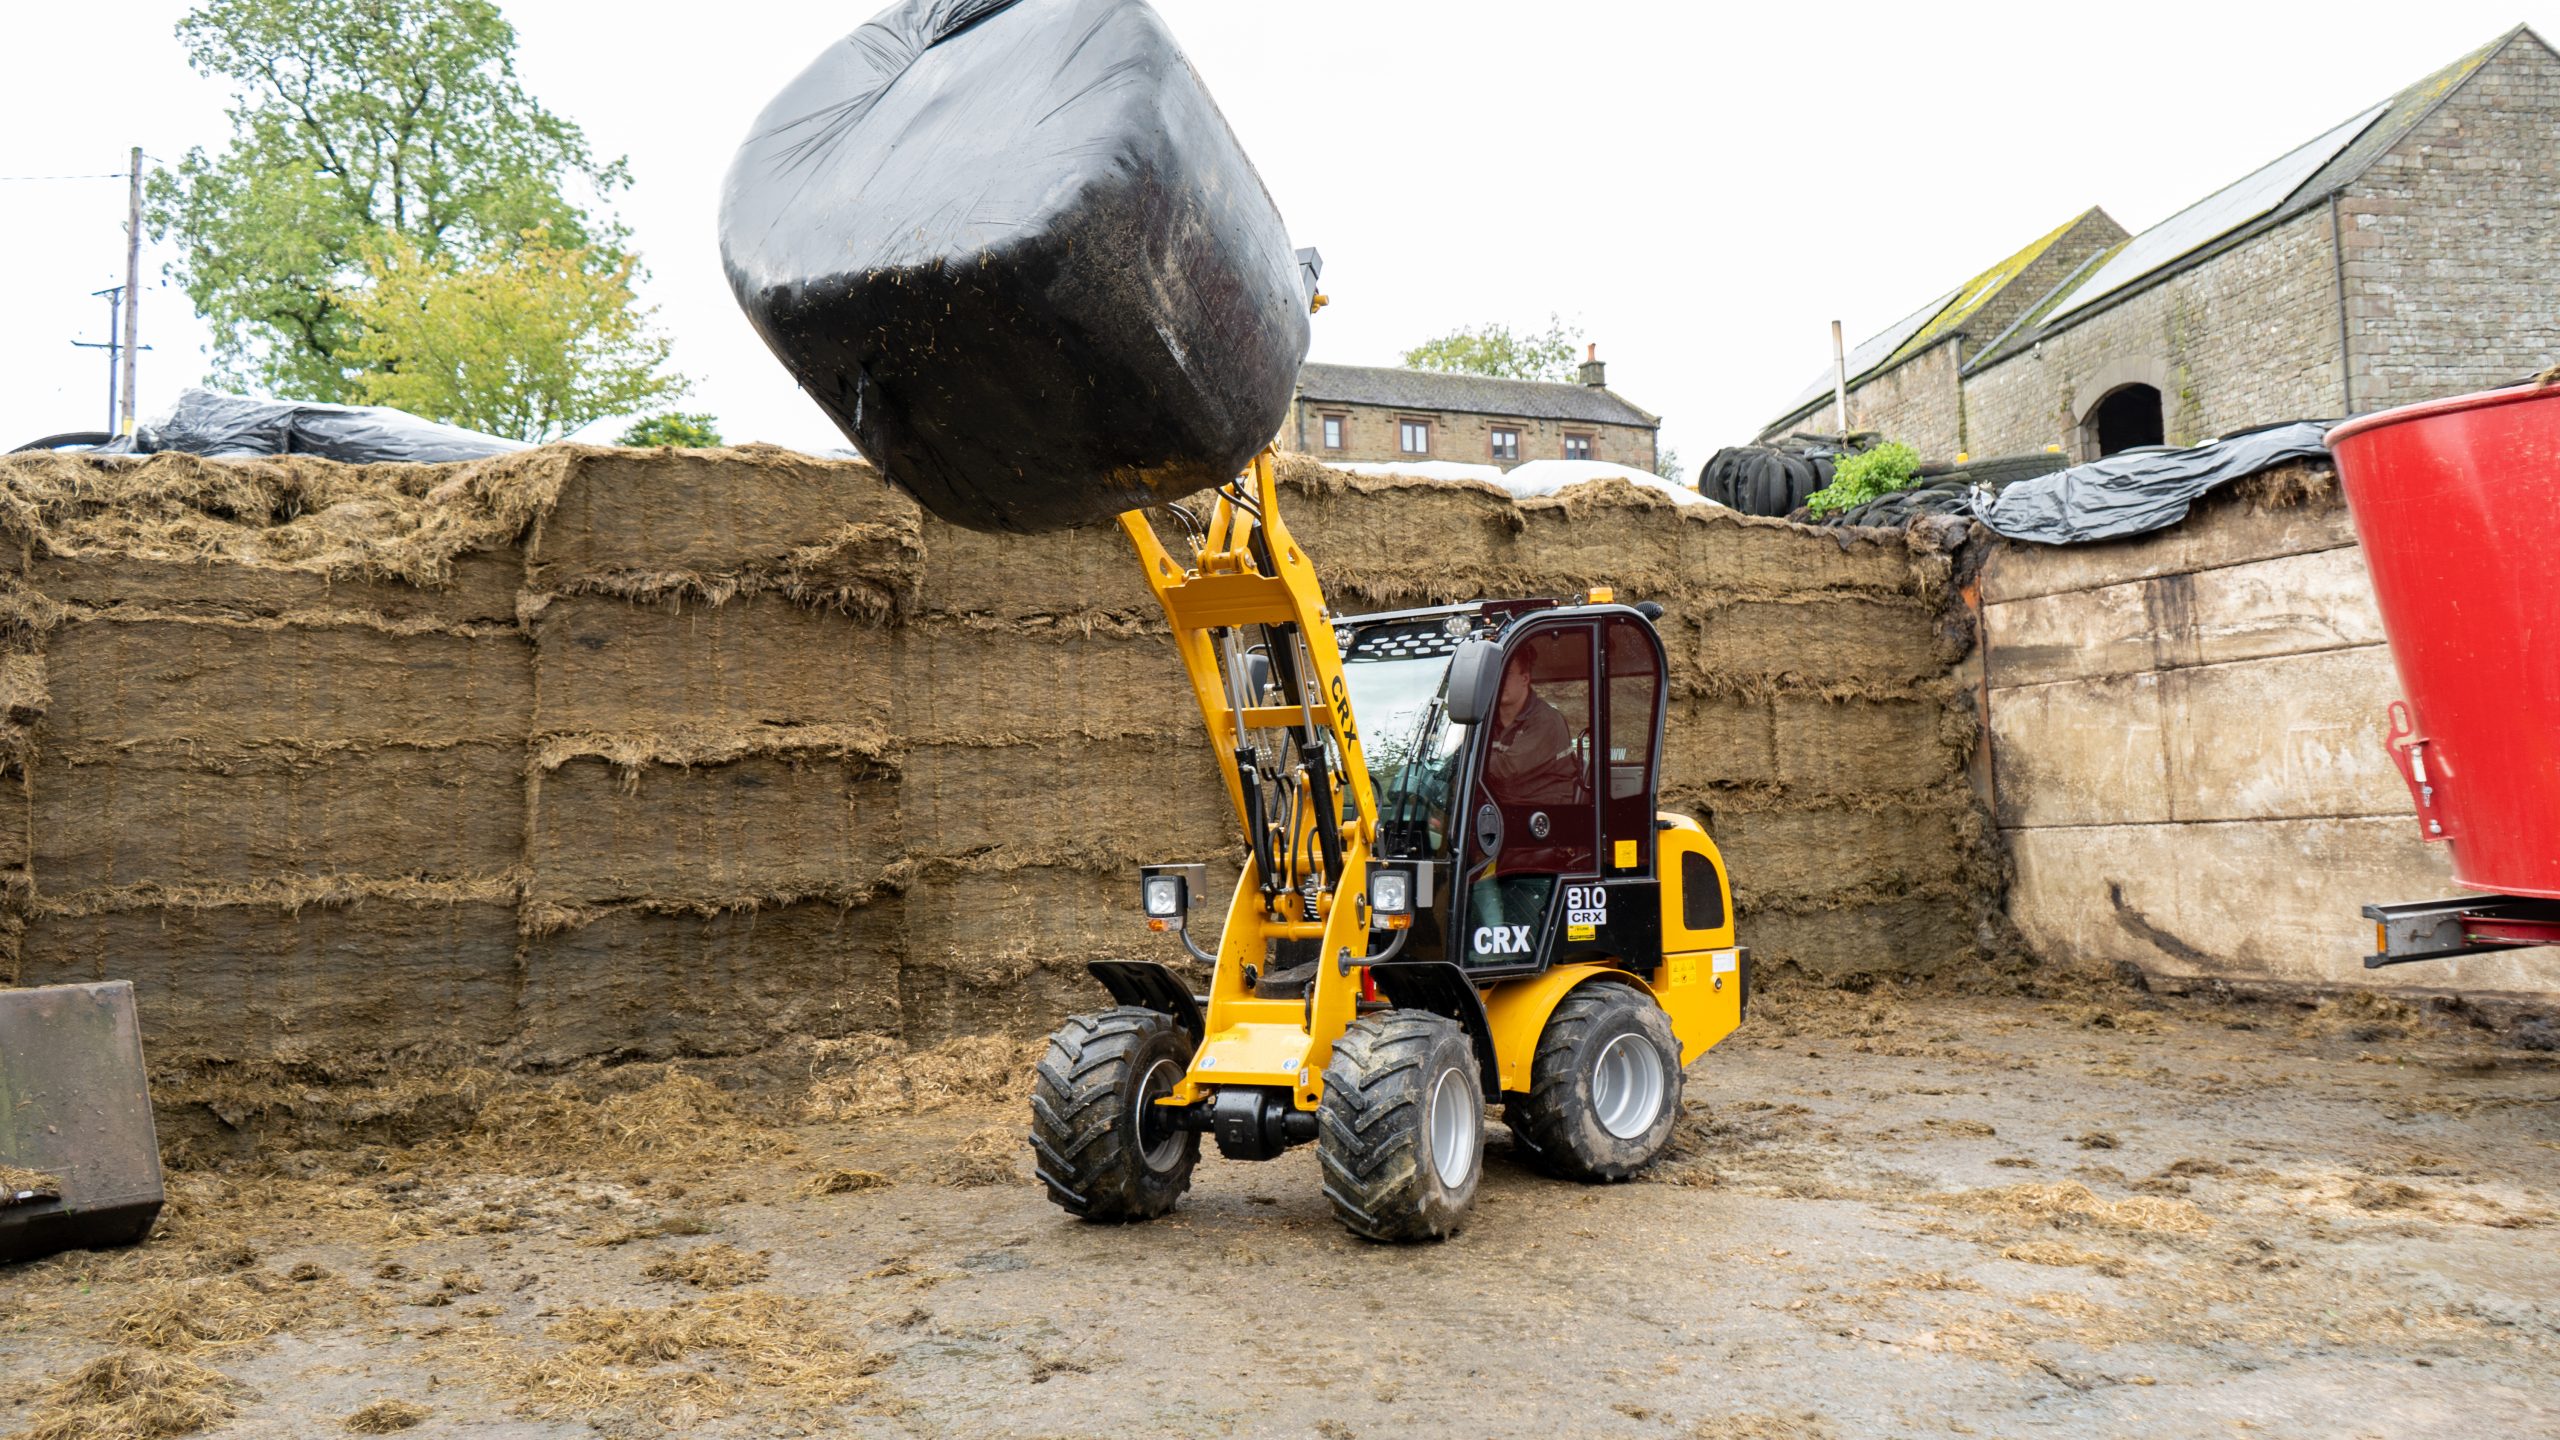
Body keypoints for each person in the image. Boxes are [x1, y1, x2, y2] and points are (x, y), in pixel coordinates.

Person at [1486, 662, 1582, 800]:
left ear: (1525, 678)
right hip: (1504, 803)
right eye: (1494, 673)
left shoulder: (1546, 720)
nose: (1498, 680)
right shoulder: (1488, 720)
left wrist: (1470, 760)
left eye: (1507, 674)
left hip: (1540, 809)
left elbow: (1508, 769)